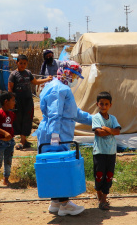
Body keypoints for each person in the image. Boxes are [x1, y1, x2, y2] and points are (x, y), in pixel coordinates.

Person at [34, 60, 93, 216]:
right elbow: (55, 115)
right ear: (66, 72)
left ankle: (55, 201)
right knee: (59, 165)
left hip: (56, 132)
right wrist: (54, 138)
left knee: (52, 165)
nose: (74, 79)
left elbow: (75, 113)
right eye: (74, 75)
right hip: (56, 133)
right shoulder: (58, 89)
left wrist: (95, 120)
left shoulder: (56, 87)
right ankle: (65, 204)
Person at [8, 55, 52, 150]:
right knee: (18, 119)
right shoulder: (13, 74)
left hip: (28, 100)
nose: (22, 65)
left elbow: (35, 82)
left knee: (28, 118)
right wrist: (11, 101)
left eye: (24, 63)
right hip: (17, 101)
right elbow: (10, 88)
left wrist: (47, 79)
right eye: (21, 63)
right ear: (17, 63)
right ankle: (22, 139)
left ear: (27, 63)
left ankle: (23, 140)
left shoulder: (28, 73)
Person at [91, 91, 121, 210]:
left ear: (110, 105)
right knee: (99, 175)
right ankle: (99, 193)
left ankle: (103, 198)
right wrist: (111, 130)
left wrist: (106, 128)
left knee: (109, 176)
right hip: (99, 152)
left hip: (111, 152)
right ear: (97, 104)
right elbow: (98, 133)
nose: (104, 106)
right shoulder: (96, 118)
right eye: (101, 104)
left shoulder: (113, 118)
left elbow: (117, 131)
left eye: (106, 104)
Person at [0, 92, 17, 191]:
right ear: (6, 102)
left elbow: (8, 126)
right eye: (13, 100)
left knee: (8, 161)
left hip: (10, 142)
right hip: (1, 142)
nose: (14, 103)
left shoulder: (12, 114)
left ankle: (6, 179)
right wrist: (4, 133)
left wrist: (9, 134)